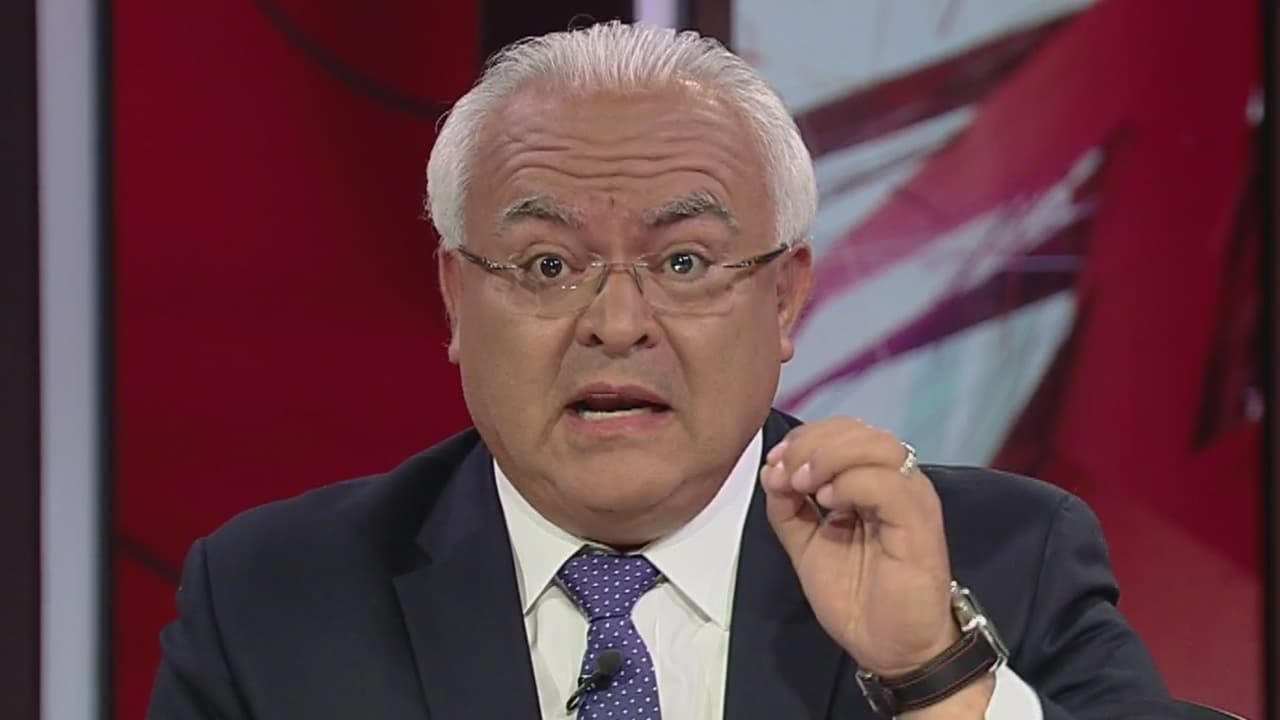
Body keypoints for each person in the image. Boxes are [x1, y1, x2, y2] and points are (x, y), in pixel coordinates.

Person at [148, 22, 1172, 720]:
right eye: (548, 266)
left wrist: (934, 678)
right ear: (457, 298)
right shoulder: (276, 598)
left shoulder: (998, 563)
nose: (616, 323)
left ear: (784, 299)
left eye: (682, 262)